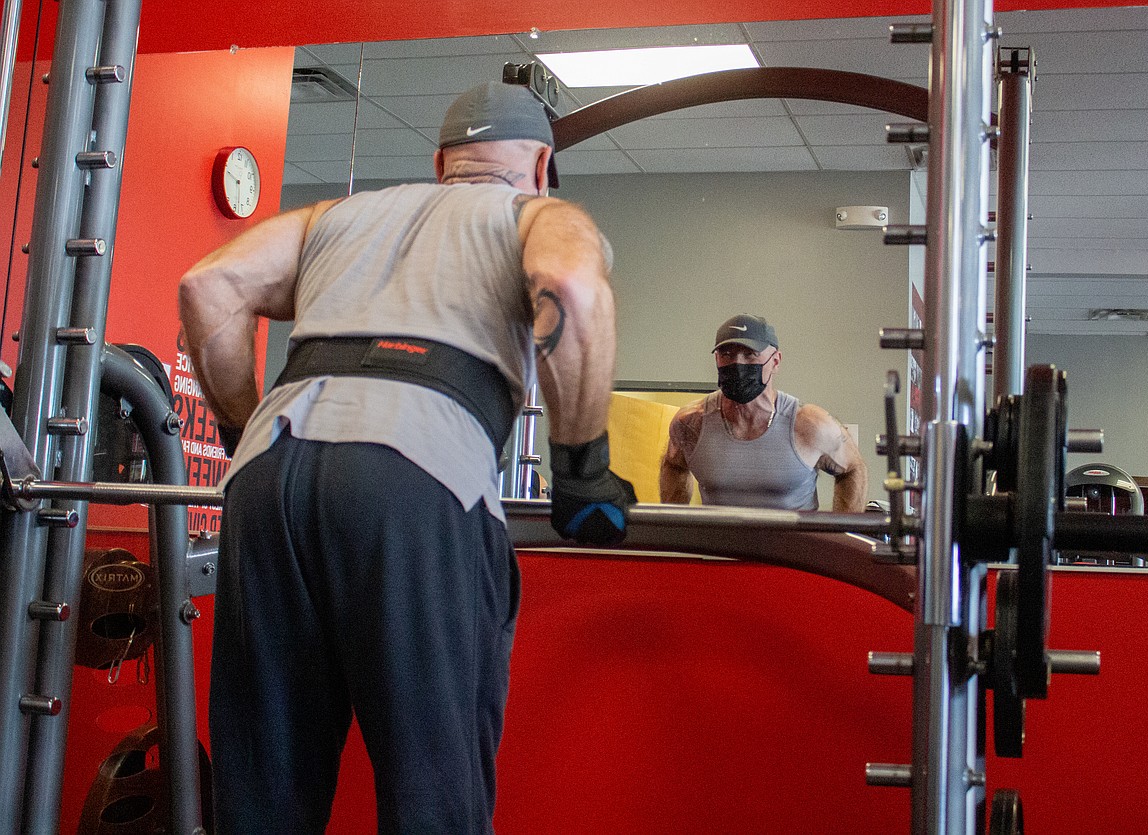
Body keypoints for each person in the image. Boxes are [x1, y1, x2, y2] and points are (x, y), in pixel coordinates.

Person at [178, 81, 635, 834]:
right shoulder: (536, 214)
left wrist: (242, 438)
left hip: (266, 477)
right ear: (544, 163)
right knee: (434, 802)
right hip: (412, 475)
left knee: (260, 804)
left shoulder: (337, 217)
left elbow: (207, 287)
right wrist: (582, 470)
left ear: (441, 162)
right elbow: (573, 289)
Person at [659, 314, 867, 512]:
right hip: (717, 549)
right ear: (717, 359)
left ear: (775, 361)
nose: (737, 363)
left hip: (792, 548)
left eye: (750, 354)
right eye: (727, 354)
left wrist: (840, 536)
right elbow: (673, 466)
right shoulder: (690, 423)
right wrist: (677, 531)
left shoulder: (810, 424)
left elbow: (853, 469)